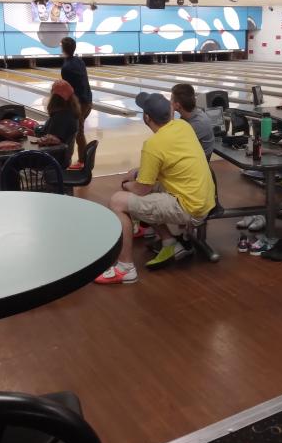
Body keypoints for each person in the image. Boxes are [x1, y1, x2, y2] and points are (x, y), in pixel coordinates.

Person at [96, 92, 215, 284]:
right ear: (170, 111)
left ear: (146, 118)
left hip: (189, 207)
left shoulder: (153, 145)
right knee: (142, 188)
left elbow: (141, 189)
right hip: (203, 198)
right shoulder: (182, 126)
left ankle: (125, 268)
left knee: (118, 201)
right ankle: (170, 243)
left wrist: (126, 184)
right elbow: (164, 164)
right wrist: (137, 173)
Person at [60, 37, 92, 170]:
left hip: (80, 104)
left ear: (62, 48)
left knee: (77, 133)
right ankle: (81, 160)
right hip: (88, 101)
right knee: (78, 131)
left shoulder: (66, 67)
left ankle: (82, 161)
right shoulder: (79, 61)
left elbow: (69, 90)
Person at [37, 79, 79, 169]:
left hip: (53, 160)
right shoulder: (69, 112)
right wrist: (37, 128)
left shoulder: (61, 118)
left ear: (55, 98)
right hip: (62, 158)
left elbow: (50, 142)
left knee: (13, 159)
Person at [170, 83, 215, 159]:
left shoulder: (197, 123)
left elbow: (173, 143)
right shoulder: (190, 114)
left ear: (177, 105)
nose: (169, 101)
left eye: (171, 99)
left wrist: (170, 115)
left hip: (199, 161)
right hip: (193, 154)